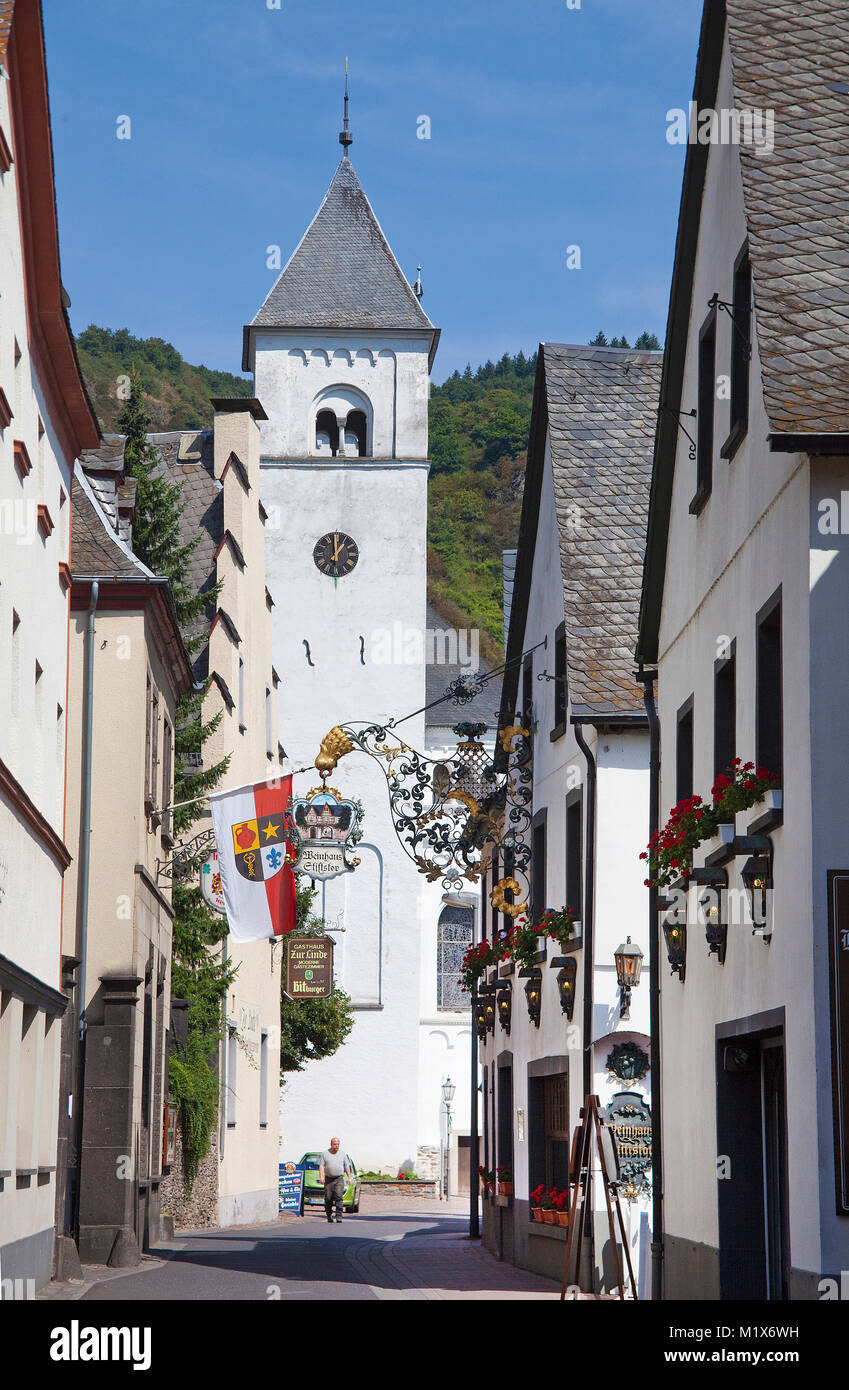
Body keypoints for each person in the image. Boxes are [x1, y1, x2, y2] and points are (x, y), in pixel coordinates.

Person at [318, 1138, 352, 1223]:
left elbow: (347, 1166)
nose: (336, 1146)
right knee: (328, 1198)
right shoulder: (325, 1154)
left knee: (339, 1196)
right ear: (331, 1144)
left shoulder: (343, 1154)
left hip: (339, 1178)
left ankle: (339, 1216)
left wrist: (349, 1177)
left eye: (337, 1144)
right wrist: (321, 1177)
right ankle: (329, 1215)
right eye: (334, 1144)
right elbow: (321, 1166)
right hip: (328, 1179)